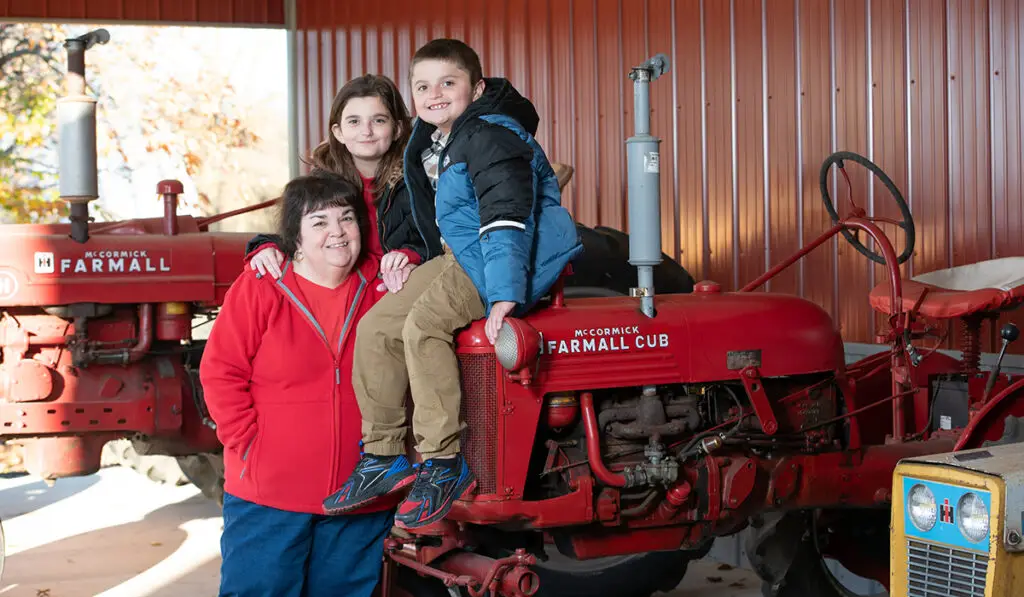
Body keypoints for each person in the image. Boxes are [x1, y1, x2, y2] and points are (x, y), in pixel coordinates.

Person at [321, 38, 584, 529]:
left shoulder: (490, 135)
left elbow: (506, 218)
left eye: (448, 83)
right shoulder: (433, 134)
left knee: (423, 326)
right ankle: (383, 455)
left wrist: (505, 294)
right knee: (377, 326)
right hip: (457, 254)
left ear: (477, 88)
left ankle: (444, 463)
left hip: (502, 258)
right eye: (423, 86)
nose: (434, 93)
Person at [199, 174, 395, 597]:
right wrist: (250, 446)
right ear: (295, 238)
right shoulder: (261, 287)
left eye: (347, 219)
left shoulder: (384, 288)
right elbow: (220, 372)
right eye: (319, 222)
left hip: (358, 493)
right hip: (270, 492)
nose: (338, 233)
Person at [247, 74, 426, 295]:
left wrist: (410, 256)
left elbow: (439, 240)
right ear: (338, 132)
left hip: (396, 282)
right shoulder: (322, 183)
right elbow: (295, 234)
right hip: (345, 283)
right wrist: (266, 247)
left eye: (378, 120)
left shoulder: (419, 177)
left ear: (397, 129)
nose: (366, 131)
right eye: (354, 121)